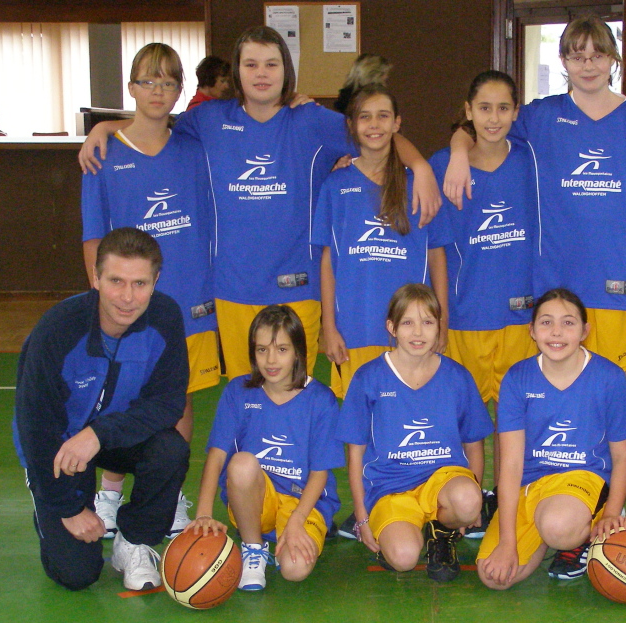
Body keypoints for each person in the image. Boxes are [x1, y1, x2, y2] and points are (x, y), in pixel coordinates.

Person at [79, 26, 441, 385]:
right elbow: (155, 121)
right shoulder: (209, 119)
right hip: (232, 291)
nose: (261, 74)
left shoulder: (312, 120)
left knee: (292, 393)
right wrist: (106, 127)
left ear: (286, 70)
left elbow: (376, 133)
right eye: (251, 64)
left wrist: (421, 167)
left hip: (298, 287)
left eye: (271, 64)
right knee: (247, 396)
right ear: (237, 71)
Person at [444, 15, 626, 393]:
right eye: (577, 57)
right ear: (563, 61)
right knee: (556, 391)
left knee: (615, 390)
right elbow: (482, 124)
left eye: (598, 56)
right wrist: (457, 153)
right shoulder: (541, 116)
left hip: (619, 282)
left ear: (613, 59)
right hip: (555, 283)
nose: (588, 66)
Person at [81, 42, 217, 540]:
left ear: (180, 91)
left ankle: (168, 495)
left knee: (179, 401)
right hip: (127, 304)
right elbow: (93, 237)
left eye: (167, 82)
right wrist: (104, 299)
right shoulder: (104, 154)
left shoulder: (194, 148)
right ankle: (109, 495)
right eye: (148, 81)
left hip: (190, 300)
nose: (157, 91)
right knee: (122, 398)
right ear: (131, 88)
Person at [14, 228, 189, 591]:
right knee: (76, 574)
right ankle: (48, 510)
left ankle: (134, 540)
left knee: (170, 450)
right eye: (116, 281)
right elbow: (35, 428)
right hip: (59, 449)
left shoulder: (165, 318)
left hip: (110, 437)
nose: (127, 297)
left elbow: (168, 402)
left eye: (140, 283)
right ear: (95, 278)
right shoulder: (57, 331)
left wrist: (98, 433)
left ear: (155, 281)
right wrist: (67, 508)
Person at [428, 70, 539, 540]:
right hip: (465, 317)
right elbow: (435, 248)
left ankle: (512, 497)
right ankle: (466, 503)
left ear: (517, 112)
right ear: (468, 111)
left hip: (521, 317)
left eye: (504, 108)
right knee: (465, 423)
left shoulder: (532, 158)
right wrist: (440, 314)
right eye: (484, 108)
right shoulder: (441, 165)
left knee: (517, 420)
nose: (494, 118)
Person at [477, 289, 626, 588]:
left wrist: (612, 514)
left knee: (558, 525)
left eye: (568, 323)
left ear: (585, 331)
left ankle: (581, 526)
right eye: (546, 322)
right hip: (532, 486)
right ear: (532, 330)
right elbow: (511, 465)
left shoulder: (609, 378)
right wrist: (508, 542)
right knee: (494, 578)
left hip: (584, 479)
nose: (556, 332)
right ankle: (546, 534)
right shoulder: (517, 378)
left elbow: (622, 456)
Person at [336, 284, 492, 582]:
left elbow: (474, 443)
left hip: (443, 479)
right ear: (391, 327)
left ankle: (442, 532)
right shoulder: (369, 377)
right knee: (404, 558)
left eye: (427, 322)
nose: (418, 332)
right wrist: (361, 517)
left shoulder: (457, 377)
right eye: (407, 322)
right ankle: (408, 529)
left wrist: (471, 507)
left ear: (439, 326)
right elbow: (355, 454)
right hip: (390, 486)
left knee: (468, 499)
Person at [186, 305, 345, 591]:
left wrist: (297, 521)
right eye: (262, 350)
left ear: (297, 352)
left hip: (304, 502)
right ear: (253, 353)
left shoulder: (321, 400)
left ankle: (293, 535)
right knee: (241, 463)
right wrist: (204, 512)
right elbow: (217, 455)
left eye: (281, 349)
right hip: (257, 500)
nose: (271, 360)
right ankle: (253, 547)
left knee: (295, 570)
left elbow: (319, 473)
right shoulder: (238, 392)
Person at [316, 84, 452, 400]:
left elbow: (437, 256)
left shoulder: (420, 184)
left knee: (409, 412)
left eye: (383, 116)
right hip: (354, 329)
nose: (374, 125)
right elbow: (328, 261)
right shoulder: (336, 185)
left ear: (397, 123)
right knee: (360, 416)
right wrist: (329, 327)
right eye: (365, 117)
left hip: (412, 330)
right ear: (351, 125)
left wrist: (442, 321)